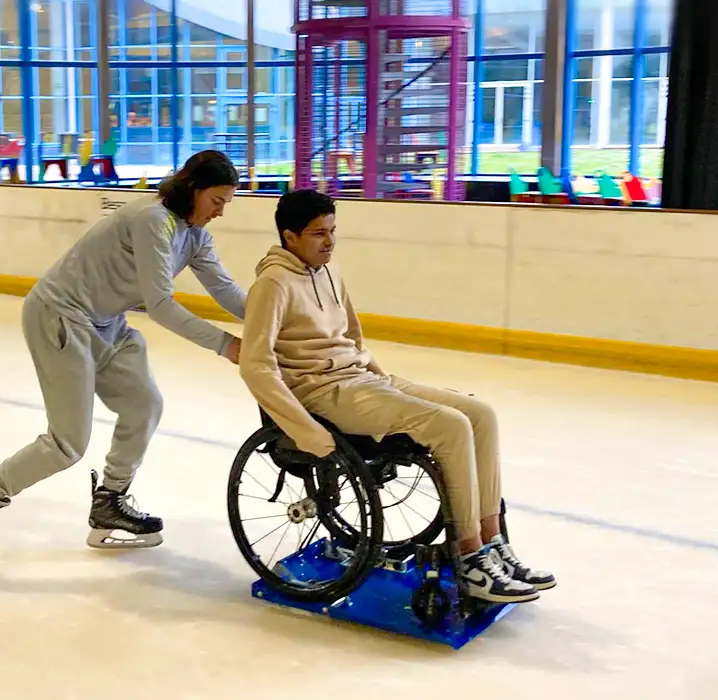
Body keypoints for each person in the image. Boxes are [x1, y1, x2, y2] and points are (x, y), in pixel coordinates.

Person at [0, 150, 249, 571]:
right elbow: (161, 305)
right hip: (60, 315)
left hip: (106, 323)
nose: (220, 212)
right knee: (66, 443)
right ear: (192, 189)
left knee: (143, 404)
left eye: (226, 204)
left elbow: (226, 292)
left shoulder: (194, 235)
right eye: (217, 201)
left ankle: (110, 502)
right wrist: (226, 345)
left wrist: (276, 320)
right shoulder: (153, 220)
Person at [236, 189, 553, 603]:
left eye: (333, 231)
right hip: (322, 393)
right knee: (450, 426)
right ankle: (469, 553)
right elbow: (255, 365)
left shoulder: (329, 271)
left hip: (361, 379)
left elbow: (352, 336)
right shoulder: (272, 284)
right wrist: (304, 429)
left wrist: (386, 382)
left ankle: (492, 540)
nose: (329, 242)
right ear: (289, 236)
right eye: (318, 234)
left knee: (479, 413)